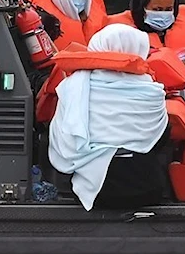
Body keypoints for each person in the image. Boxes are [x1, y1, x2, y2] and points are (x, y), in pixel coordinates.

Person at [48, 24, 172, 211]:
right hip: (146, 189)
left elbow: (62, 142)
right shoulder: (152, 91)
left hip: (93, 192)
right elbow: (160, 138)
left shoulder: (72, 87)